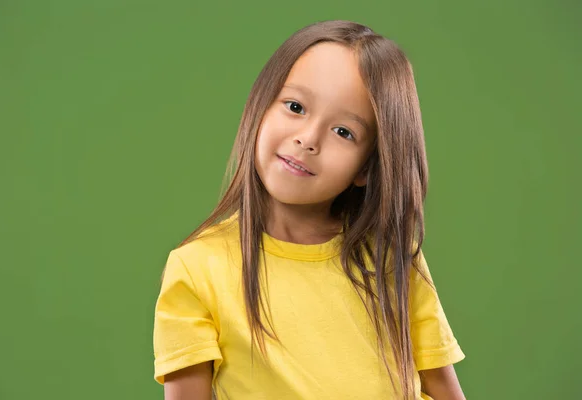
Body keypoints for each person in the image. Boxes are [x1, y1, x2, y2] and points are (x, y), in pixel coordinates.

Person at [153, 20, 466, 400]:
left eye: (344, 132)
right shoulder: (197, 268)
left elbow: (443, 388)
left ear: (366, 168)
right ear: (260, 106)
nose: (308, 139)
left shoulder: (391, 259)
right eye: (296, 107)